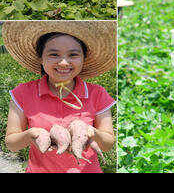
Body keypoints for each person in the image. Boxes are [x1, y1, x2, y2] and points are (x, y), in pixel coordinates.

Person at [3, 21, 117, 173]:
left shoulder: (97, 93)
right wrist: (31, 134)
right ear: (40, 58)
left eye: (73, 54)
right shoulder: (22, 93)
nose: (63, 62)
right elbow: (11, 144)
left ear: (84, 58)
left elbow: (108, 144)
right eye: (54, 54)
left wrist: (91, 132)